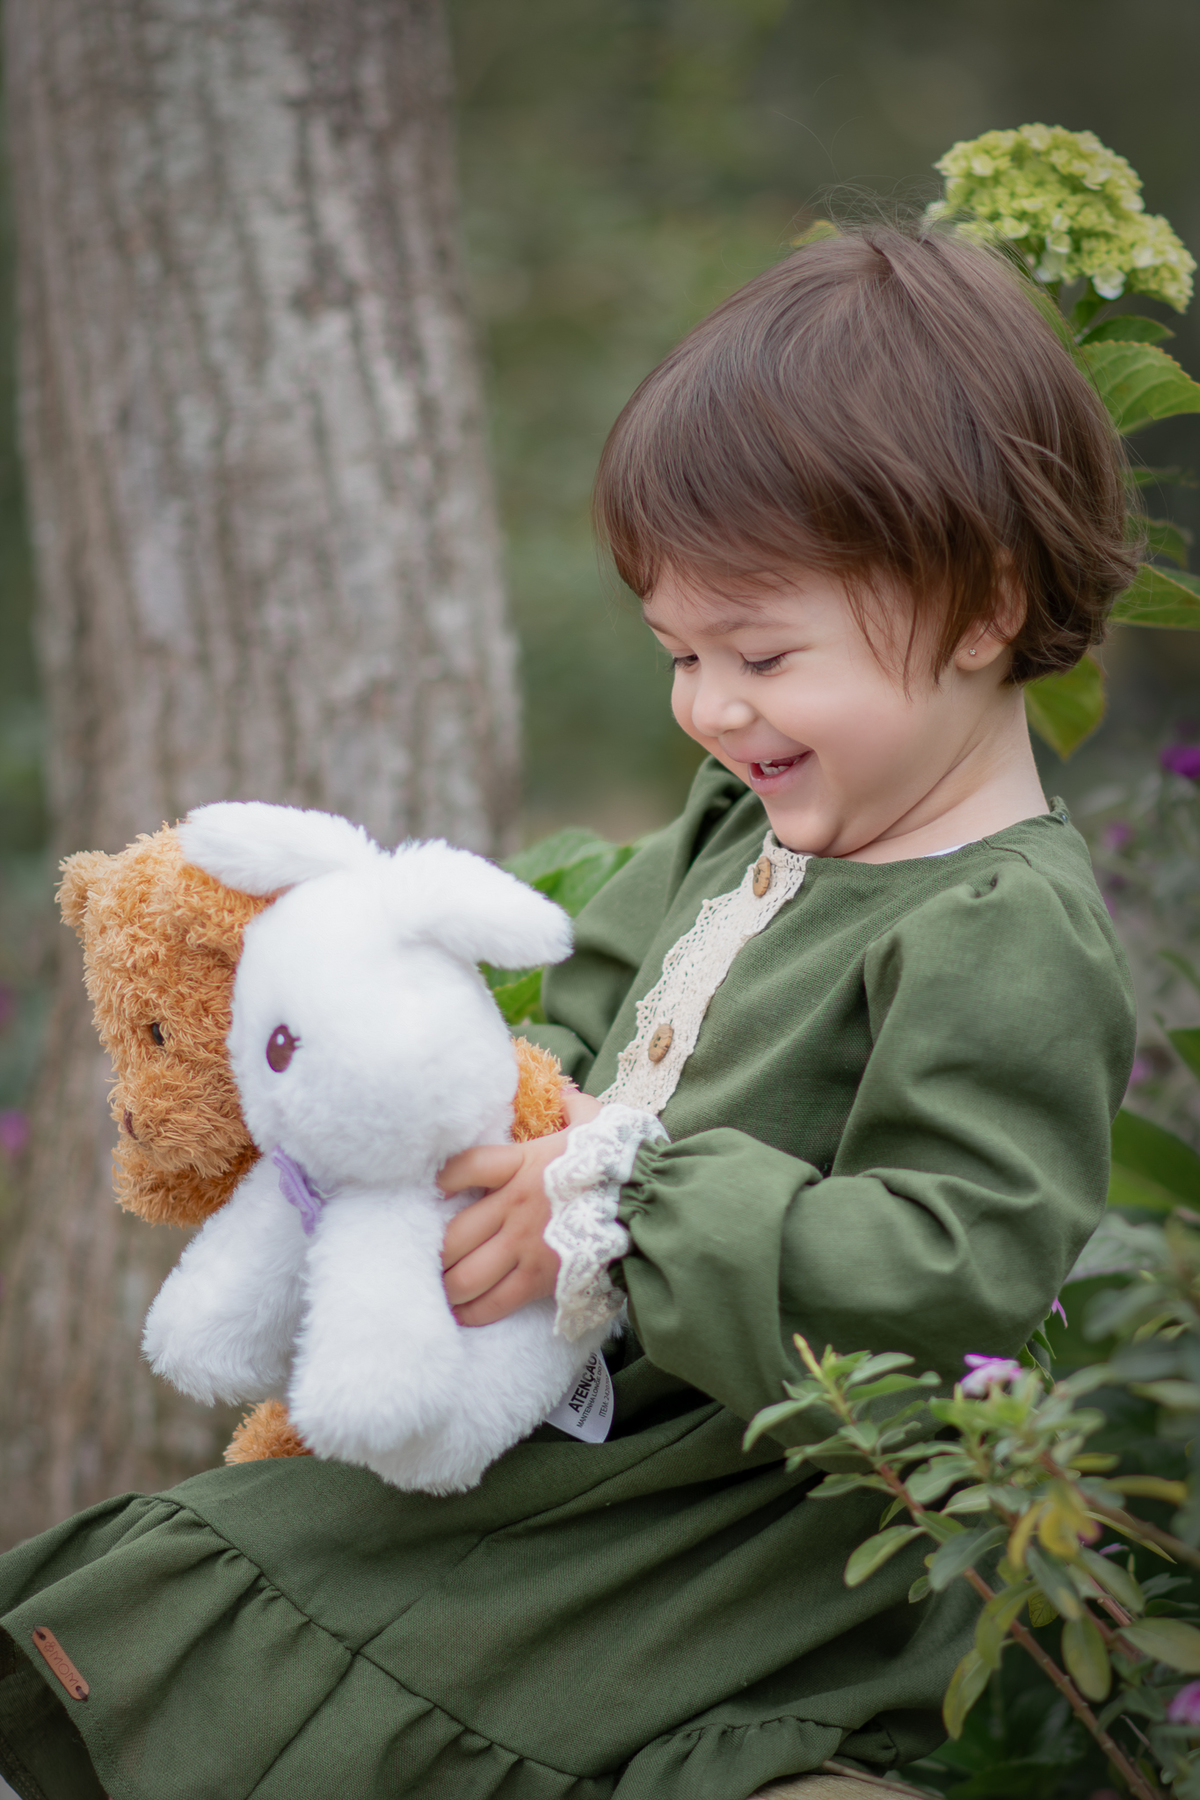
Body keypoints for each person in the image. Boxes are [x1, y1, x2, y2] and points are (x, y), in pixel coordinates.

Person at [0, 225, 1136, 1800]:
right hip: (594, 1412)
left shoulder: (1003, 925)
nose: (712, 706)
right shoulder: (744, 819)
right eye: (679, 653)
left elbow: (962, 1262)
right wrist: (472, 1135)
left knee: (374, 1630)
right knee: (231, 1552)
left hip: (747, 1517)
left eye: (760, 652)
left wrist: (626, 1208)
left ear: (985, 607)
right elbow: (591, 1019)